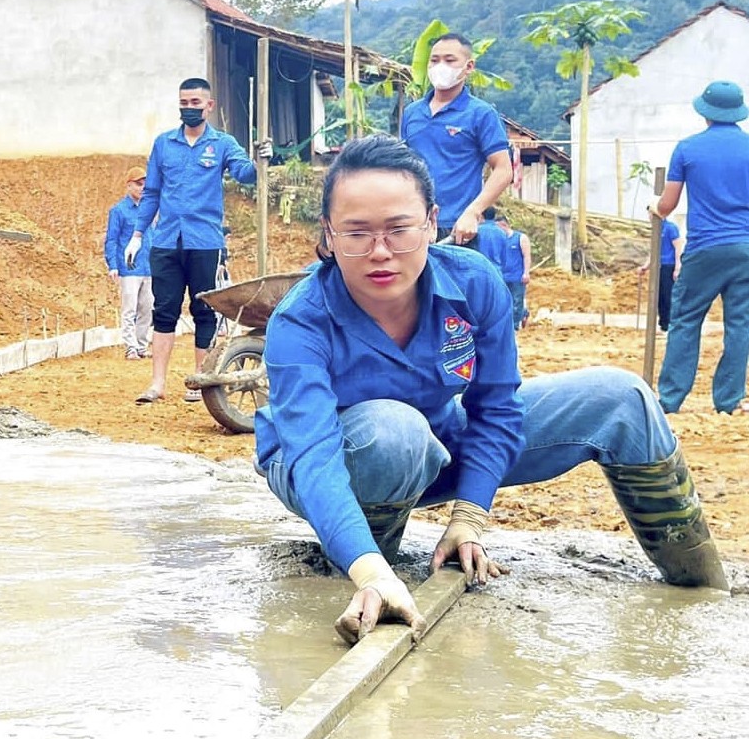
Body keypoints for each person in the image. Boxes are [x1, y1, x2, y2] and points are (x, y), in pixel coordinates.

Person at [256, 135, 725, 644]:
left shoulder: (475, 283)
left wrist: (469, 515)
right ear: (328, 234)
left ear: (432, 222)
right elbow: (314, 455)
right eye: (357, 233)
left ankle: (702, 583)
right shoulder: (300, 321)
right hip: (335, 463)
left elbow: (497, 409)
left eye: (399, 230)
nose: (380, 252)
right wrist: (369, 571)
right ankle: (370, 562)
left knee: (623, 398)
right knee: (394, 432)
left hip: (438, 442)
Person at [123, 77, 266, 403]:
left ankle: (201, 382)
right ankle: (157, 384)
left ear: (209, 106)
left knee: (204, 311)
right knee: (164, 311)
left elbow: (244, 174)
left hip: (205, 242)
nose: (189, 109)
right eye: (184, 103)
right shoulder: (163, 144)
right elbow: (152, 194)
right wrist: (137, 235)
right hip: (166, 242)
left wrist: (260, 160)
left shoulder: (223, 144)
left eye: (195, 104)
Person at [654, 81, 749, 415]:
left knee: (685, 321)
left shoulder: (686, 150)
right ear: (738, 112)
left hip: (703, 251)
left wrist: (656, 209)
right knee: (740, 325)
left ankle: (670, 400)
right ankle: (729, 400)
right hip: (746, 251)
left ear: (705, 113)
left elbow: (667, 205)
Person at [399, 32, 512, 243]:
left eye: (450, 60)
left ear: (469, 67)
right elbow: (402, 164)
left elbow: (504, 169)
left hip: (457, 228)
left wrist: (473, 212)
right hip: (414, 224)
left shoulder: (481, 114)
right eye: (435, 60)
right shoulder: (412, 112)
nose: (441, 66)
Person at [104, 166, 153, 358]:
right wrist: (113, 265)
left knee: (147, 308)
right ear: (129, 185)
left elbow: (153, 236)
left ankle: (141, 345)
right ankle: (130, 346)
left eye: (145, 184)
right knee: (129, 308)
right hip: (129, 267)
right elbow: (112, 239)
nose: (142, 188)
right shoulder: (119, 211)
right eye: (139, 184)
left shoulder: (149, 209)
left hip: (149, 266)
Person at [636, 217, 682, 331]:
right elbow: (654, 251)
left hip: (668, 265)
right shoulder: (656, 230)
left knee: (668, 295)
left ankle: (670, 324)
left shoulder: (670, 228)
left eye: (652, 214)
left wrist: (677, 266)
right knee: (659, 296)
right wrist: (645, 267)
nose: (650, 217)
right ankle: (663, 324)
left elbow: (678, 247)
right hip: (658, 266)